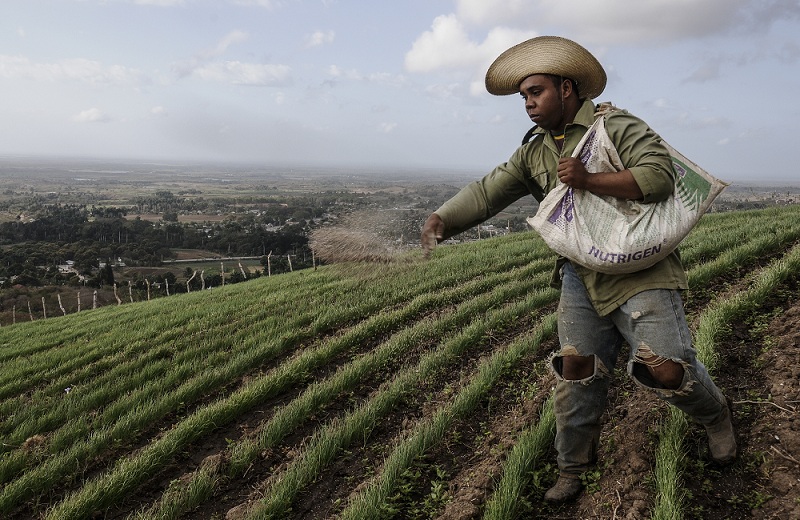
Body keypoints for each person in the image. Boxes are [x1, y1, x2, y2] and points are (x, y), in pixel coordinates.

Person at [420, 36, 736, 503]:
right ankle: (573, 466)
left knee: (666, 369)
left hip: (640, 270)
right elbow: (489, 192)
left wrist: (589, 180)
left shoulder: (616, 126)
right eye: (523, 96)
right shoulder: (535, 151)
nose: (527, 104)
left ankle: (715, 416)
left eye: (535, 92)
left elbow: (658, 176)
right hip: (580, 275)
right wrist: (442, 219)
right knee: (576, 368)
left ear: (566, 88)